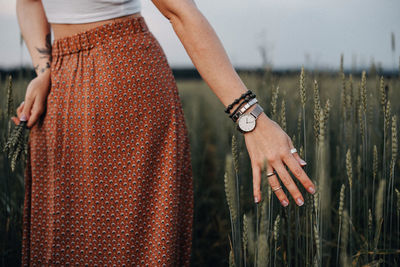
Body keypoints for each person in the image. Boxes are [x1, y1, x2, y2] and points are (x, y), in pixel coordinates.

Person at [12, 0, 316, 265]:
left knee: (127, 244)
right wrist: (45, 70)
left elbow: (179, 10)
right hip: (60, 90)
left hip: (121, 80)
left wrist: (250, 117)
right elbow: (28, 2)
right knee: (60, 239)